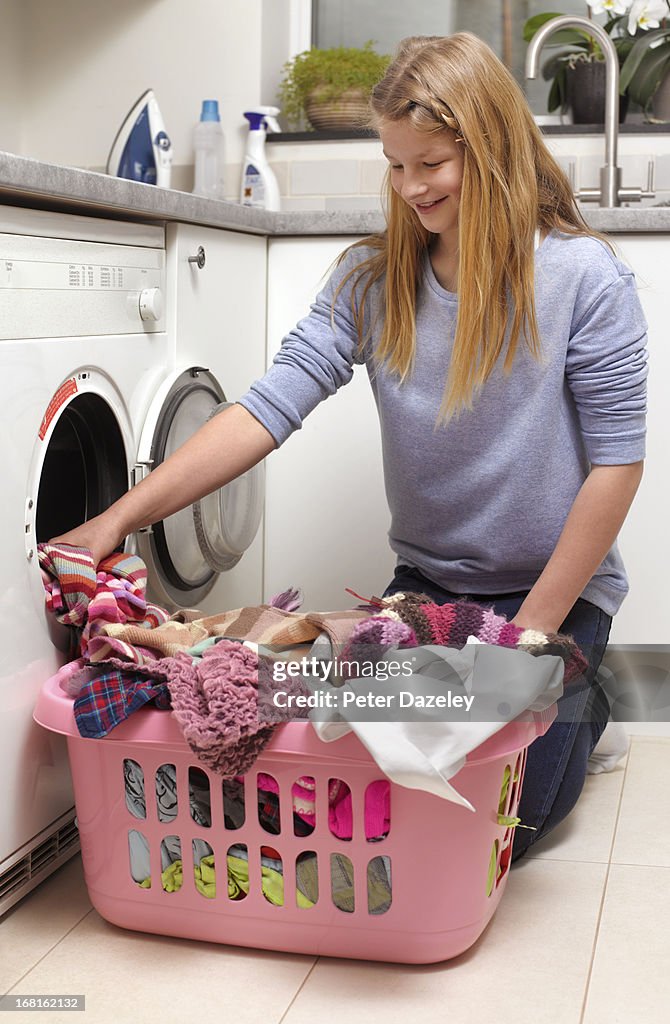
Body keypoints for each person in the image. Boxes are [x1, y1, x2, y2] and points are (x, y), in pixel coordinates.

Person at [52, 33, 647, 860]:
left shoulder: (585, 279)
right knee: (370, 786)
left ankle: (588, 702)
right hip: (429, 591)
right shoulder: (372, 282)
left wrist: (527, 642)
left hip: (553, 599)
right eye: (395, 165)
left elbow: (618, 465)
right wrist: (113, 520)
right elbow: (264, 409)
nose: (409, 188)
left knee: (494, 826)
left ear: (493, 149)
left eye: (430, 163)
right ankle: (558, 694)